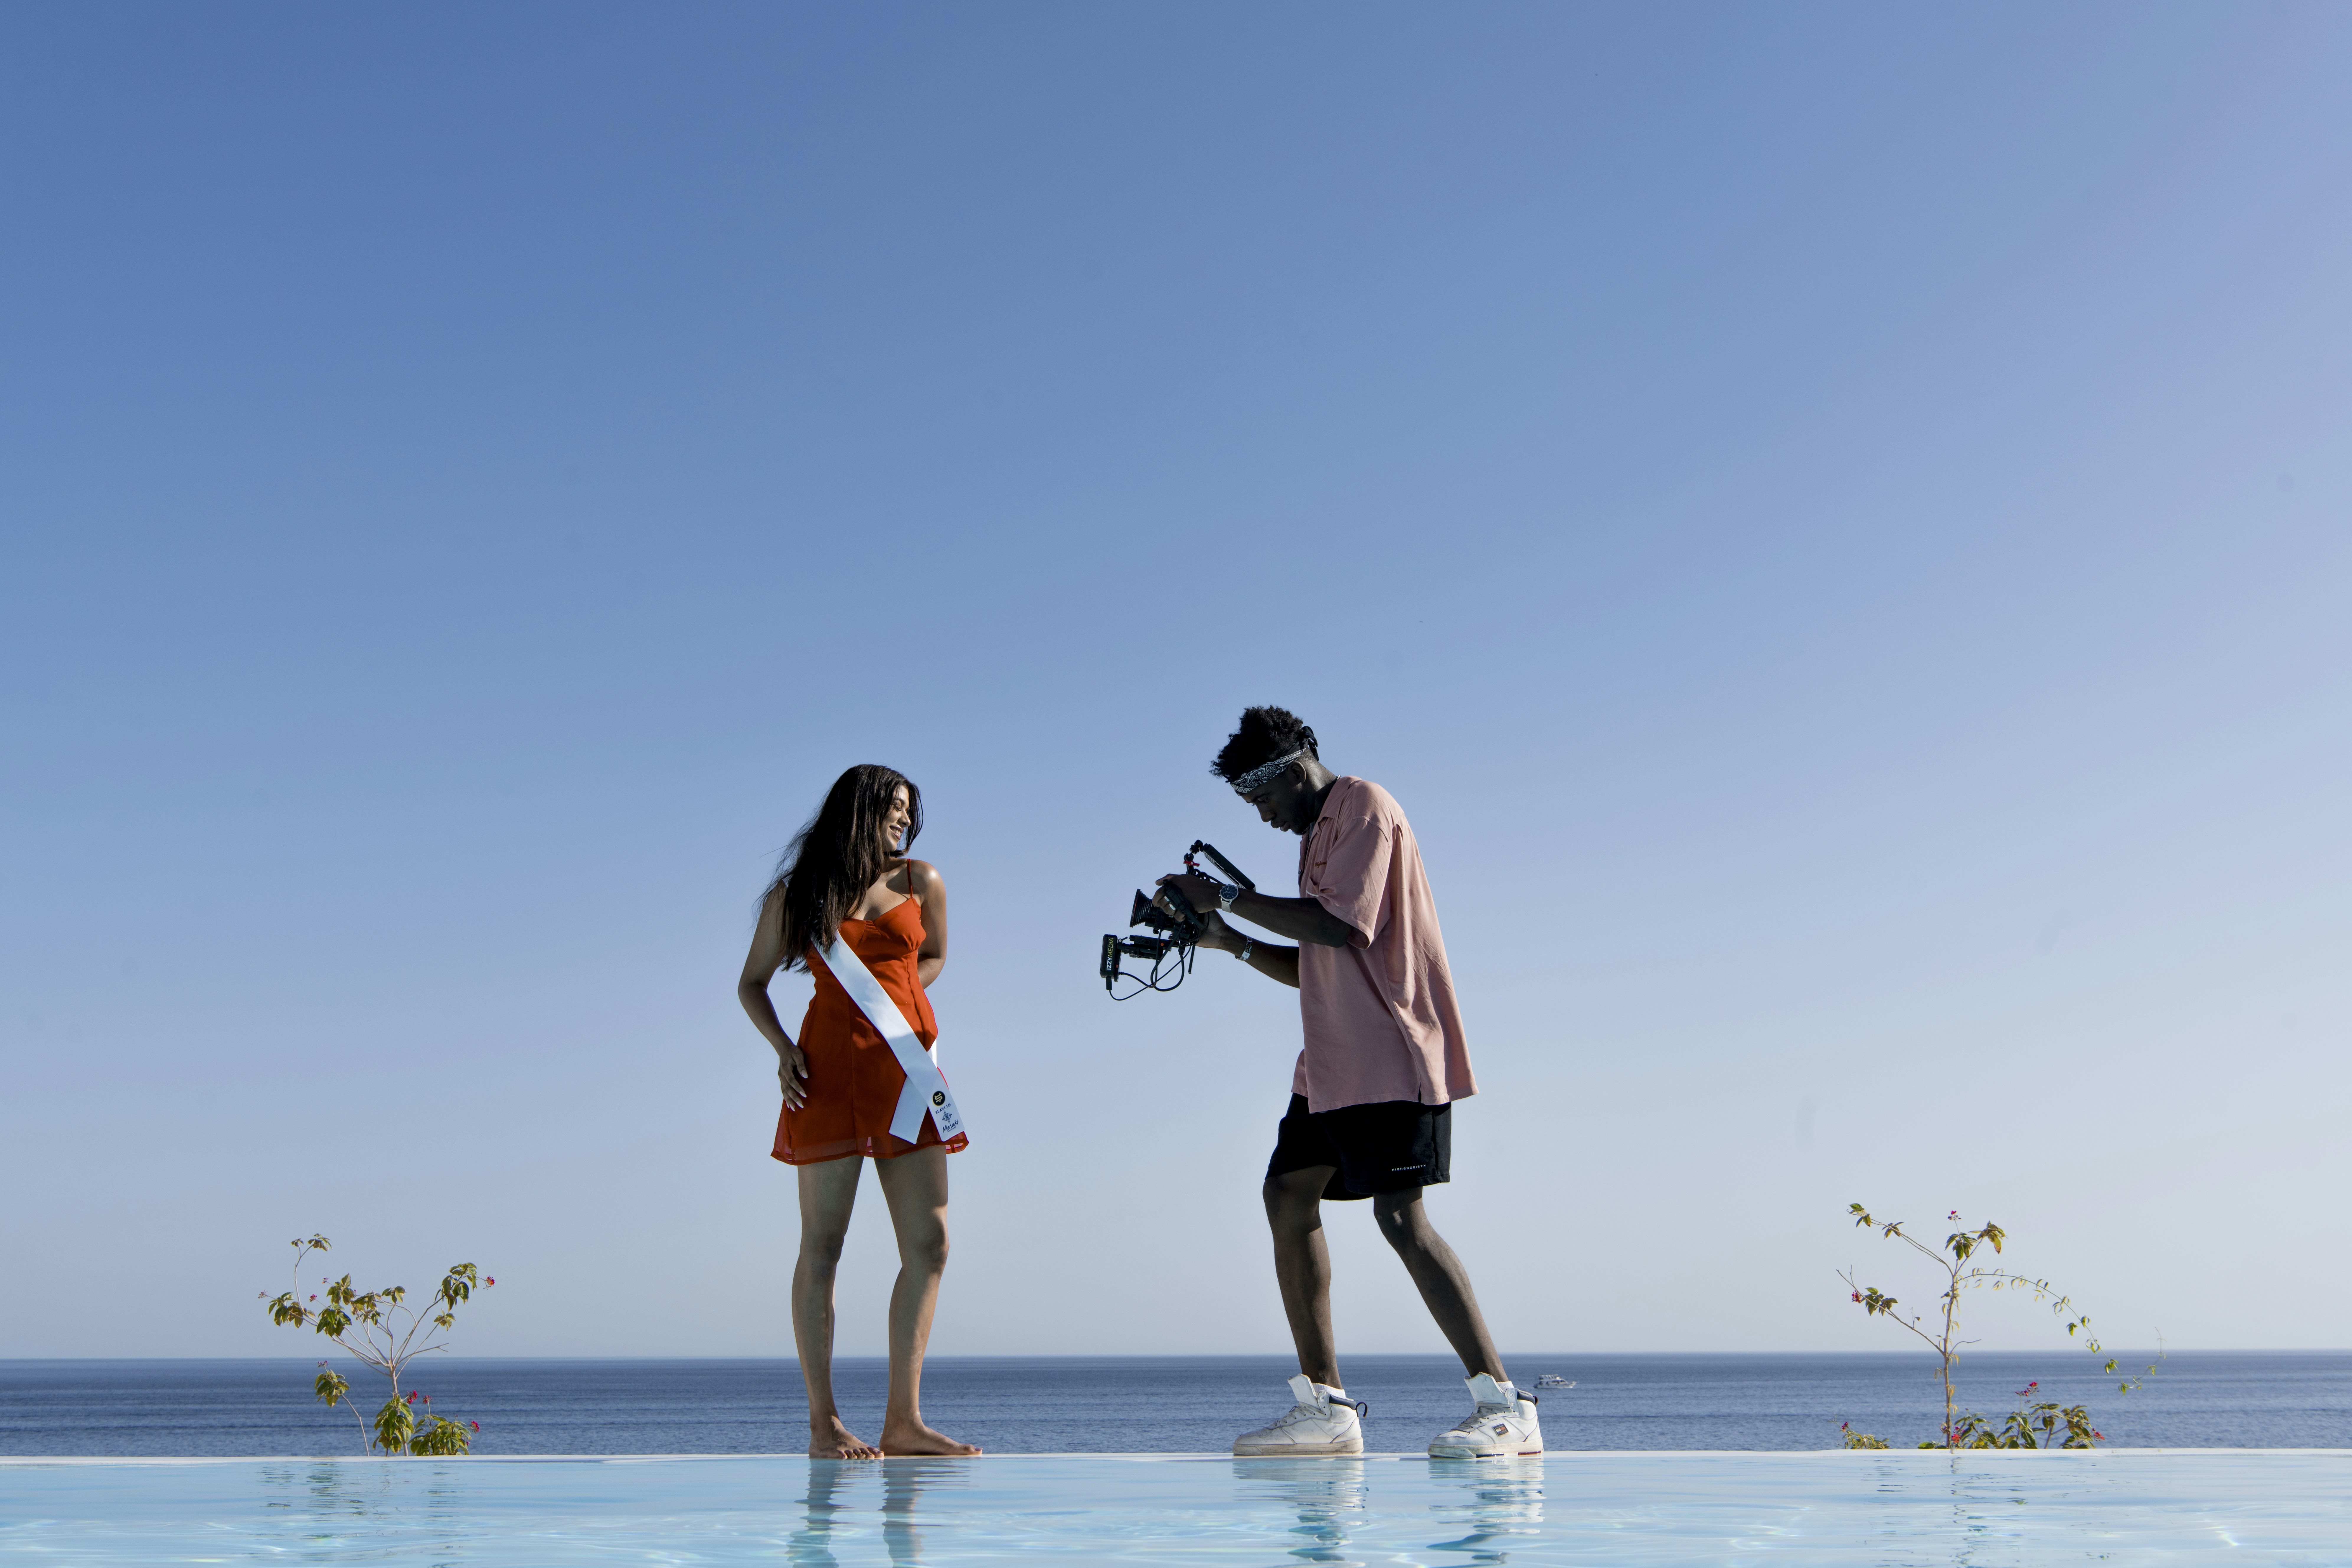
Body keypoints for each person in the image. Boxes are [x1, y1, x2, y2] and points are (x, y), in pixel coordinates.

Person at [1155, 707, 1542, 1459]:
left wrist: (1224, 896)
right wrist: (1227, 940)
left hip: (1393, 1054)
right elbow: (1315, 964)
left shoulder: (1364, 805)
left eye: (1262, 801)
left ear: (1293, 774)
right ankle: (1326, 1407)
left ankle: (1506, 1404)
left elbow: (1336, 928)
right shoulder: (1314, 840)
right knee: (1287, 1192)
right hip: (1329, 1066)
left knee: (1401, 1217)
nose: (1263, 817)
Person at [738, 763, 978, 1459]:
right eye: (893, 808)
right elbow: (751, 984)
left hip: (906, 1075)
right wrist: (782, 1049)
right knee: (823, 1248)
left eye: (910, 810)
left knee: (930, 1245)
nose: (904, 820)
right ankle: (823, 1423)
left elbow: (930, 955)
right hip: (826, 1073)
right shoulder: (799, 894)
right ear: (860, 809)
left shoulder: (920, 881)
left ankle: (903, 1420)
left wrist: (900, 999)